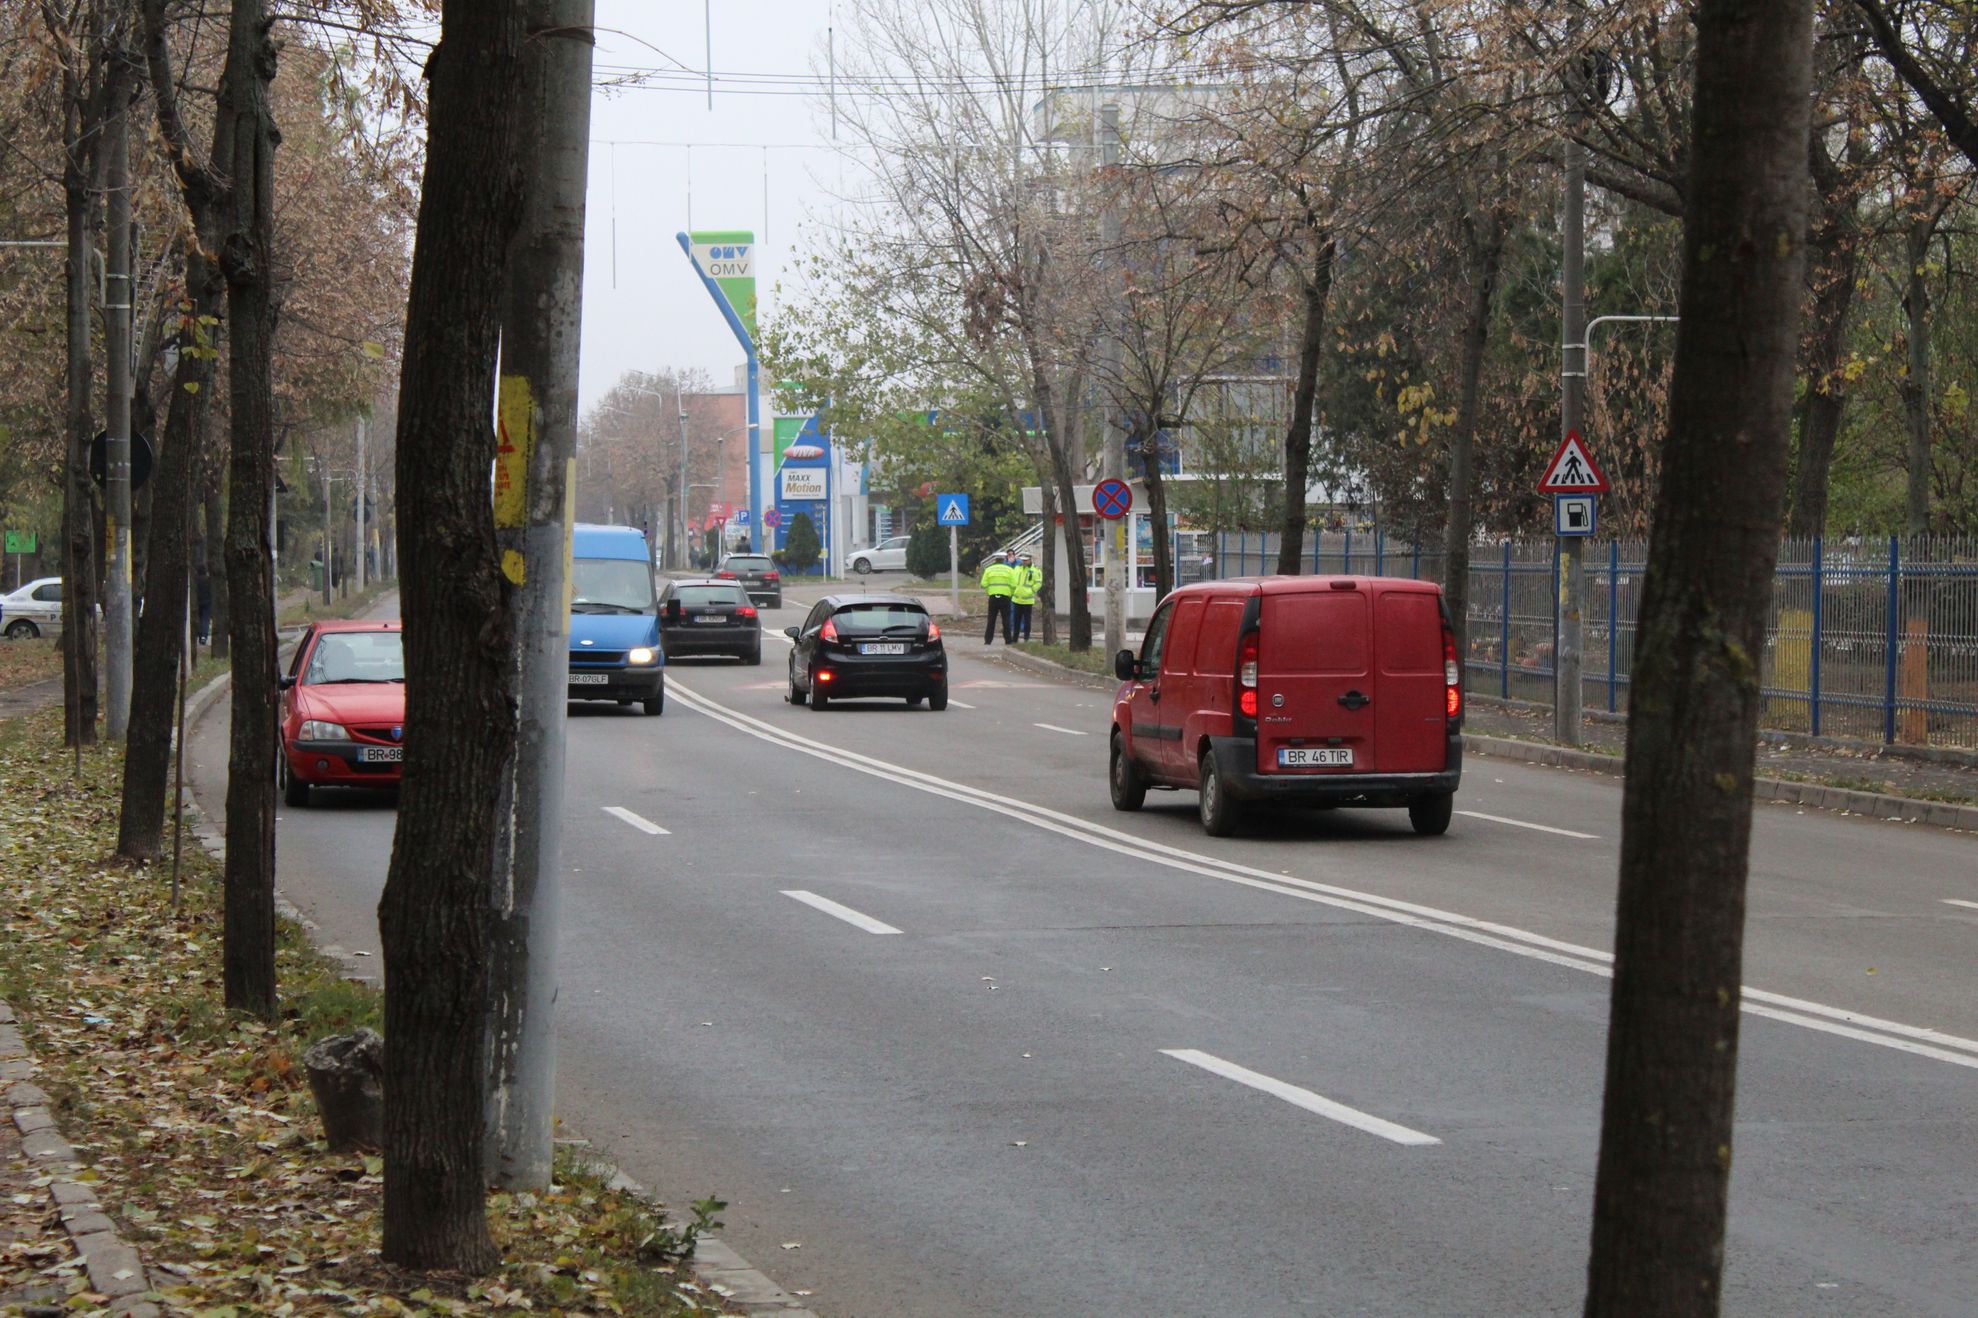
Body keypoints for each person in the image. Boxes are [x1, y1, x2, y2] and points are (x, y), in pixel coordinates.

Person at [979, 550, 1016, 643]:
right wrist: (1010, 593)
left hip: (993, 598)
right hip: (1005, 597)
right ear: (1004, 559)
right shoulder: (1009, 570)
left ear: (995, 559)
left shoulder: (989, 570)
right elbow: (1014, 584)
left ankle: (988, 640)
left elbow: (983, 584)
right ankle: (1008, 640)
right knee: (1006, 620)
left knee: (991, 619)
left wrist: (989, 591)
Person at [1010, 553, 1040, 642]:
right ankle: (1015, 638)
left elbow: (1038, 583)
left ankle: (1026, 638)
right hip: (1016, 599)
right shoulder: (1017, 568)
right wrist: (1013, 590)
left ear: (1030, 559)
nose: (1024, 562)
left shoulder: (1035, 570)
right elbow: (1013, 580)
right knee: (1016, 620)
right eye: (1023, 560)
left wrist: (1031, 591)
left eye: (1026, 560)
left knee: (1027, 621)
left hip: (1027, 600)